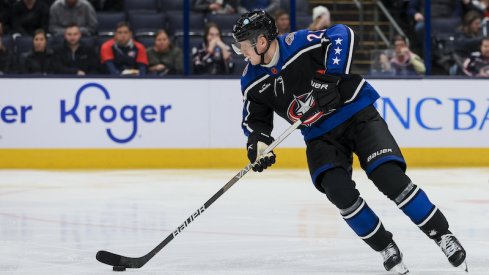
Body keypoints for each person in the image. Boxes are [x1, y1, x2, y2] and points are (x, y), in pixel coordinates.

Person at [231, 10, 467, 274]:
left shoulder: (296, 43)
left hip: (357, 114)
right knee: (338, 192)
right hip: (319, 135)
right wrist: (258, 142)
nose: (241, 52)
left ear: (261, 41)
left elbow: (342, 34)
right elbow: (254, 120)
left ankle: (442, 235)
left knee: (389, 178)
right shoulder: (251, 80)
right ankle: (385, 246)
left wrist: (331, 76)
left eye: (243, 46)